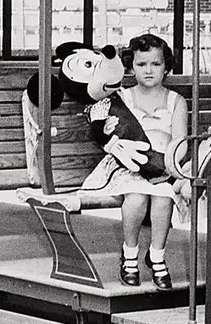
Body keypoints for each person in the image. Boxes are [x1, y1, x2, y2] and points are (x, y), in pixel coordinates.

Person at [78, 33, 189, 288]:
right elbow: (106, 133)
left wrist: (170, 163)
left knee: (163, 197)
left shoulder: (175, 101)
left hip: (162, 165)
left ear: (166, 67)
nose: (148, 70)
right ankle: (129, 254)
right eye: (141, 64)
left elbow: (180, 142)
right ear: (131, 67)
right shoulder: (123, 98)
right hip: (126, 166)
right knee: (137, 197)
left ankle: (157, 256)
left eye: (155, 64)